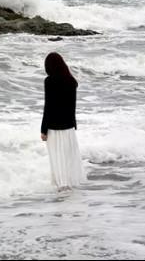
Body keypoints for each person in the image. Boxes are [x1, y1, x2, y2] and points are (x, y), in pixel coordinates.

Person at [41, 52, 85, 191]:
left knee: (57, 157)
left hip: (54, 127)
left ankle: (61, 186)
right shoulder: (71, 81)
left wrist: (43, 129)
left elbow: (48, 106)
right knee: (68, 157)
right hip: (68, 126)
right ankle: (68, 185)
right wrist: (73, 125)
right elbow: (72, 106)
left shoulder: (49, 81)